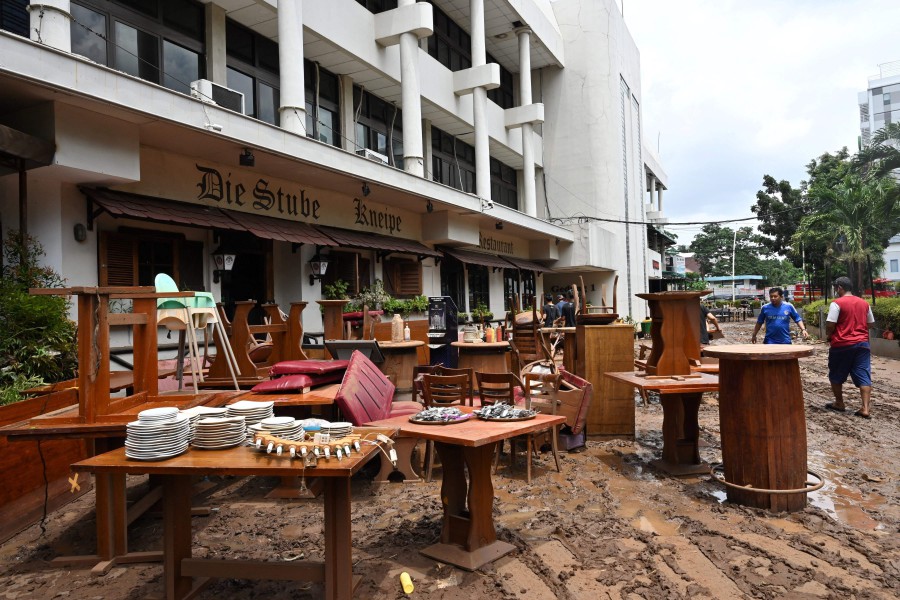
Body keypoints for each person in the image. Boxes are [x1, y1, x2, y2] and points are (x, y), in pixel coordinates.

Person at [825, 277, 875, 418]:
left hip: (842, 344)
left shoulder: (836, 303)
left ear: (840, 287)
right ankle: (865, 408)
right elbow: (870, 323)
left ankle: (839, 403)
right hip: (862, 345)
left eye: (836, 288)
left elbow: (830, 324)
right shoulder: (864, 303)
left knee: (835, 373)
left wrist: (830, 335)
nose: (835, 290)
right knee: (864, 374)